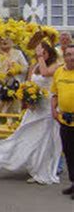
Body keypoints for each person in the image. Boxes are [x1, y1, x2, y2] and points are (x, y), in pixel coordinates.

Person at [0, 42, 62, 185]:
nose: (42, 56)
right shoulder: (35, 66)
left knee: (43, 139)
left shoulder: (55, 65)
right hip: (35, 106)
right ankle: (8, 158)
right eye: (40, 53)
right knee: (25, 134)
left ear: (49, 53)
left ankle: (41, 169)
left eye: (44, 53)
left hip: (47, 106)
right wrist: (27, 98)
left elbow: (45, 73)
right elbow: (27, 83)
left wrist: (40, 58)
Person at [51, 44, 74, 200]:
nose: (71, 57)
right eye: (68, 54)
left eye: (73, 54)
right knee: (69, 153)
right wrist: (53, 109)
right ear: (64, 56)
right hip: (64, 120)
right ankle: (73, 182)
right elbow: (54, 93)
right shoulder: (59, 72)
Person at [0, 36, 28, 124]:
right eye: (1, 40)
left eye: (7, 39)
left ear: (11, 40)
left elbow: (25, 67)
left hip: (15, 84)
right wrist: (0, 75)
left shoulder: (18, 53)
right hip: (1, 85)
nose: (4, 41)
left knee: (15, 108)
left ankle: (15, 126)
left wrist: (16, 70)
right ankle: (2, 125)